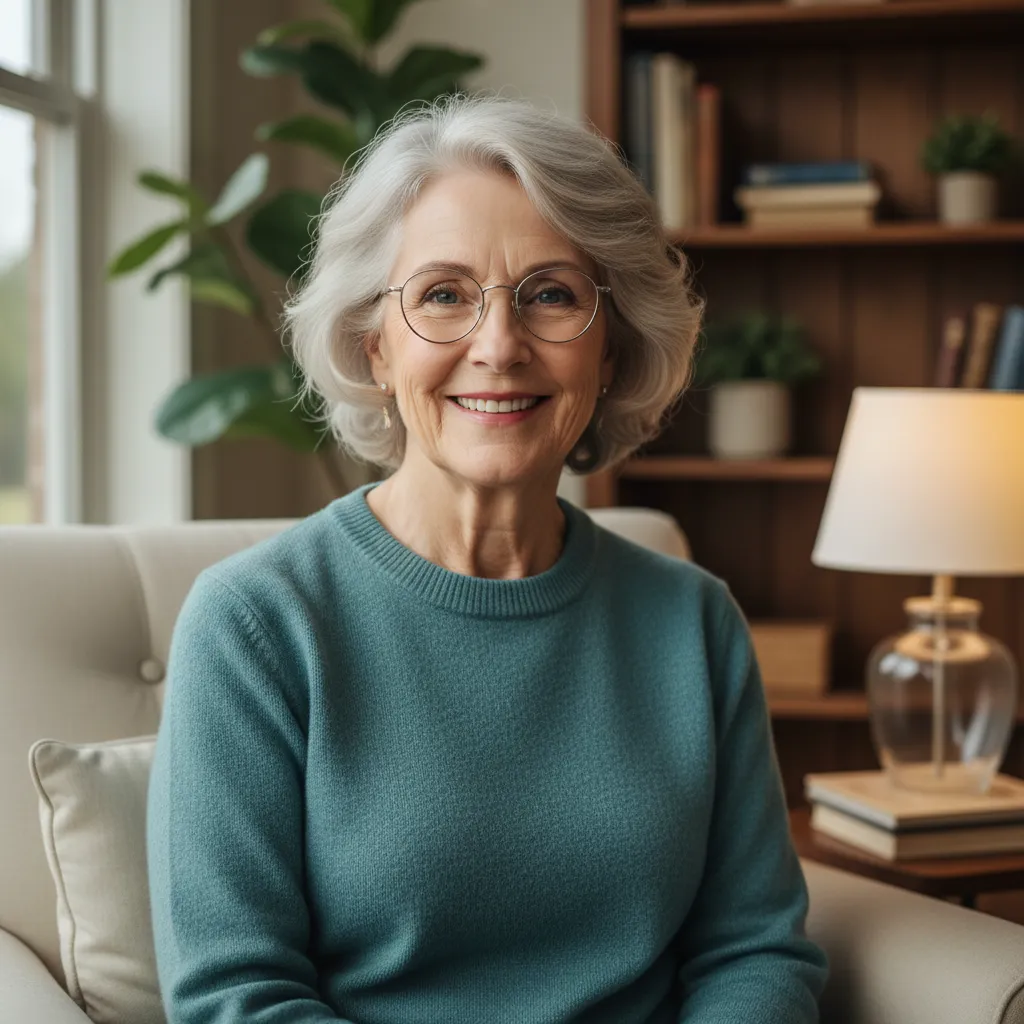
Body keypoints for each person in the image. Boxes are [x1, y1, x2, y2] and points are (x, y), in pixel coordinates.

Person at [146, 93, 829, 1023]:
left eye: (551, 294)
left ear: (611, 344)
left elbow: (755, 952)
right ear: (373, 346)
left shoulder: (692, 619)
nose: (499, 346)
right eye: (442, 296)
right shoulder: (256, 625)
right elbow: (238, 998)